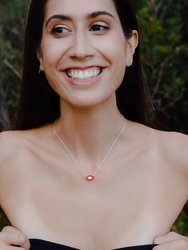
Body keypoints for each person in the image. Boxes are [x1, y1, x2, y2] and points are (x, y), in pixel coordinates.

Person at [0, 0, 188, 249]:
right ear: (40, 54)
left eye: (98, 26)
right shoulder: (6, 156)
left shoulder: (179, 155)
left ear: (129, 45)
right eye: (59, 29)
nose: (80, 50)